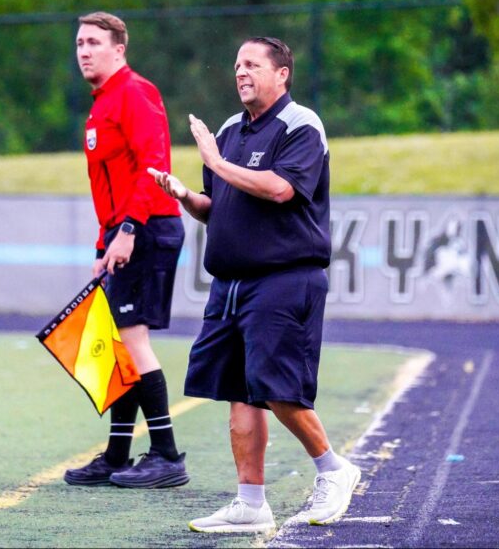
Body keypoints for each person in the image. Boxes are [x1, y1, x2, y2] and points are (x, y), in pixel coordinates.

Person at [149, 36, 360, 534]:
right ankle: (250, 502)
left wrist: (218, 163)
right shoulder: (227, 129)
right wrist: (183, 194)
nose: (240, 72)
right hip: (231, 283)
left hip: (285, 278)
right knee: (238, 392)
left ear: (282, 73)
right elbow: (214, 203)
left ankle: (335, 468)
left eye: (252, 64)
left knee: (277, 388)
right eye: (236, 63)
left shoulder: (301, 124)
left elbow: (281, 188)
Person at [62, 11, 189, 489]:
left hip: (150, 228)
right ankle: (118, 454)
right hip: (126, 231)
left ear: (119, 49)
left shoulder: (135, 92)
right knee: (120, 344)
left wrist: (130, 228)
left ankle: (167, 456)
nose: (85, 51)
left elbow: (153, 164)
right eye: (79, 43)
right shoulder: (100, 105)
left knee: (133, 341)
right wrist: (105, 241)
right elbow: (105, 185)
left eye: (94, 42)